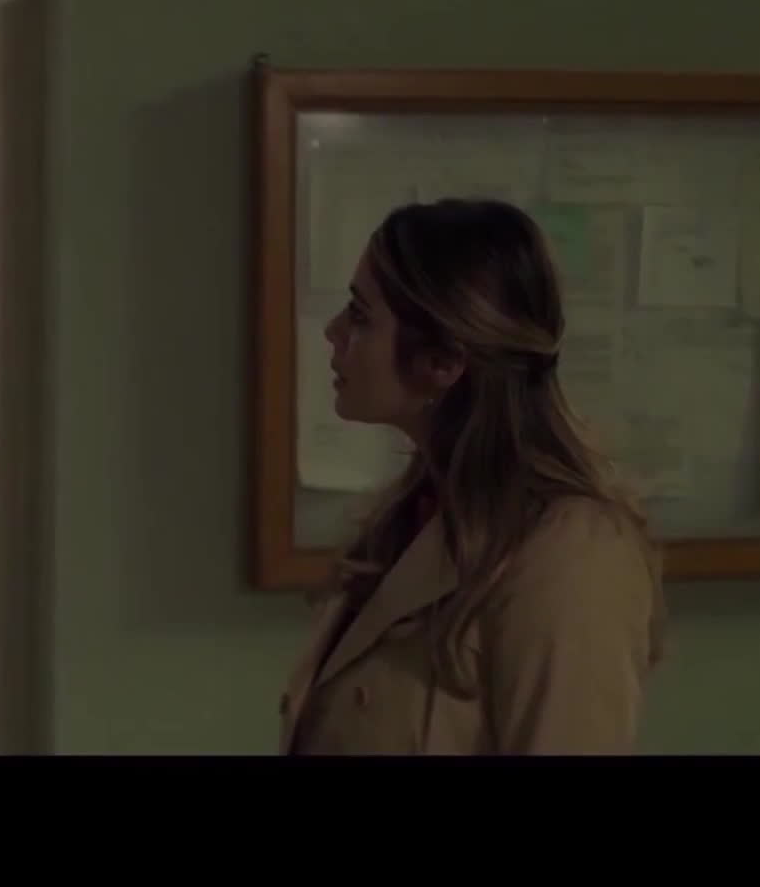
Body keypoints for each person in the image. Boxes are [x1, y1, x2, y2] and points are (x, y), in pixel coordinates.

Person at [279, 198, 664, 755]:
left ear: (442, 363)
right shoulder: (409, 516)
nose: (334, 332)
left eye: (360, 316)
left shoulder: (573, 554)